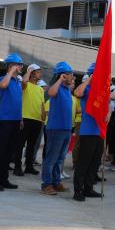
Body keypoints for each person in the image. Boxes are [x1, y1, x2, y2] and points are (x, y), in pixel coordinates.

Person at [0, 53, 24, 192]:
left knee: (8, 153)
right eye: (18, 64)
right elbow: (2, 85)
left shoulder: (18, 82)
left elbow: (18, 102)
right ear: (11, 65)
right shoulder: (4, 78)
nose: (21, 67)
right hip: (4, 121)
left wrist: (20, 118)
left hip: (15, 121)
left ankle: (3, 179)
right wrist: (10, 72)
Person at [41, 61, 74, 195]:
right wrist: (60, 80)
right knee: (51, 158)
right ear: (62, 75)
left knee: (60, 159)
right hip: (56, 129)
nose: (72, 77)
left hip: (66, 129)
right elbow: (51, 92)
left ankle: (56, 182)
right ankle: (46, 184)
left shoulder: (66, 90)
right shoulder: (57, 87)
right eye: (70, 74)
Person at [72, 63, 104, 202]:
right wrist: (89, 79)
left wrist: (108, 113)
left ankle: (88, 188)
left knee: (95, 163)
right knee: (83, 162)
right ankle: (78, 190)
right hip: (88, 130)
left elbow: (106, 105)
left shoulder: (101, 91)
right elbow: (77, 93)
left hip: (99, 131)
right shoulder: (87, 88)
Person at [14, 63, 45, 176]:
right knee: (20, 144)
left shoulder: (40, 89)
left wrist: (43, 118)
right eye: (38, 72)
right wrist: (28, 71)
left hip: (37, 120)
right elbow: (23, 81)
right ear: (31, 73)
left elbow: (42, 104)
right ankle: (17, 167)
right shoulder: (25, 85)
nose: (40, 74)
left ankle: (29, 166)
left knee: (32, 145)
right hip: (25, 119)